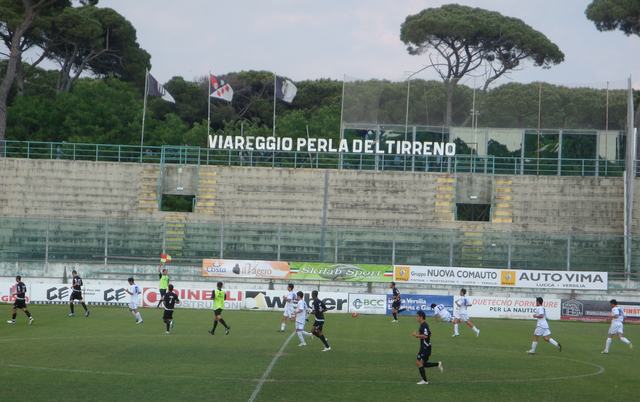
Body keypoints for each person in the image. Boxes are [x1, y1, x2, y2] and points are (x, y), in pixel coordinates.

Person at [413, 310, 443, 385]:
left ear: (421, 317)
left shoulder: (424, 325)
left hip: (425, 348)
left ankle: (425, 381)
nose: (416, 318)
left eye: (417, 317)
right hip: (424, 347)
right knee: (420, 363)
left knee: (419, 363)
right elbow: (429, 333)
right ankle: (438, 364)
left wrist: (417, 335)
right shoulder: (423, 325)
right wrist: (419, 335)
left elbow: (426, 335)